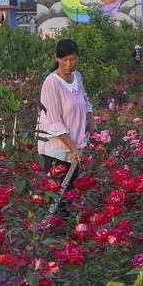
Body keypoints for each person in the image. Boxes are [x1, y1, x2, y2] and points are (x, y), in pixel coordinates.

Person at [37, 38, 95, 208]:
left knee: (68, 196)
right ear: (57, 58)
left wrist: (90, 119)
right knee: (56, 199)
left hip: (74, 147)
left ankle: (64, 233)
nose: (69, 64)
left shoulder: (77, 77)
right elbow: (55, 122)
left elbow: (85, 102)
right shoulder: (51, 83)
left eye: (73, 59)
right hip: (56, 150)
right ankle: (48, 232)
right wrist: (72, 147)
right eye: (65, 60)